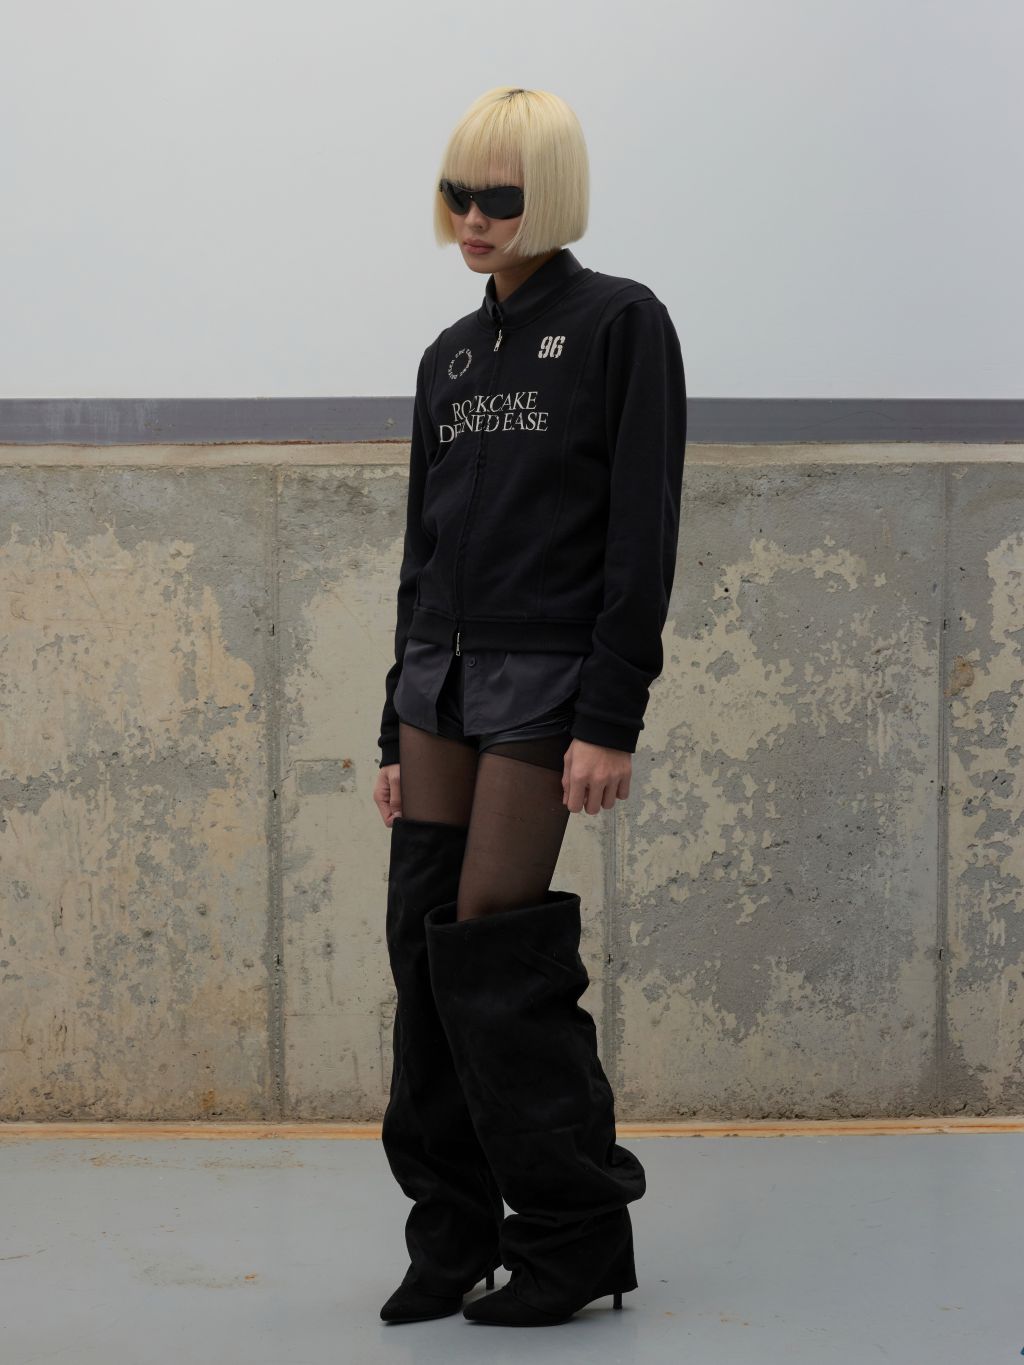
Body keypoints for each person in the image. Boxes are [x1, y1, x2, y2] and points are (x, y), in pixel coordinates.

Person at [372, 85, 687, 1328]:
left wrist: (610, 715)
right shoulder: (448, 357)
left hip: (546, 677)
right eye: (459, 194)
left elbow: (640, 534)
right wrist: (387, 725)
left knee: (496, 957)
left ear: (547, 195)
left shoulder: (619, 324)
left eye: (500, 197)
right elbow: (420, 549)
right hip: (436, 683)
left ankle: (571, 1231)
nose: (474, 218)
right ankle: (451, 1232)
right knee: (421, 957)